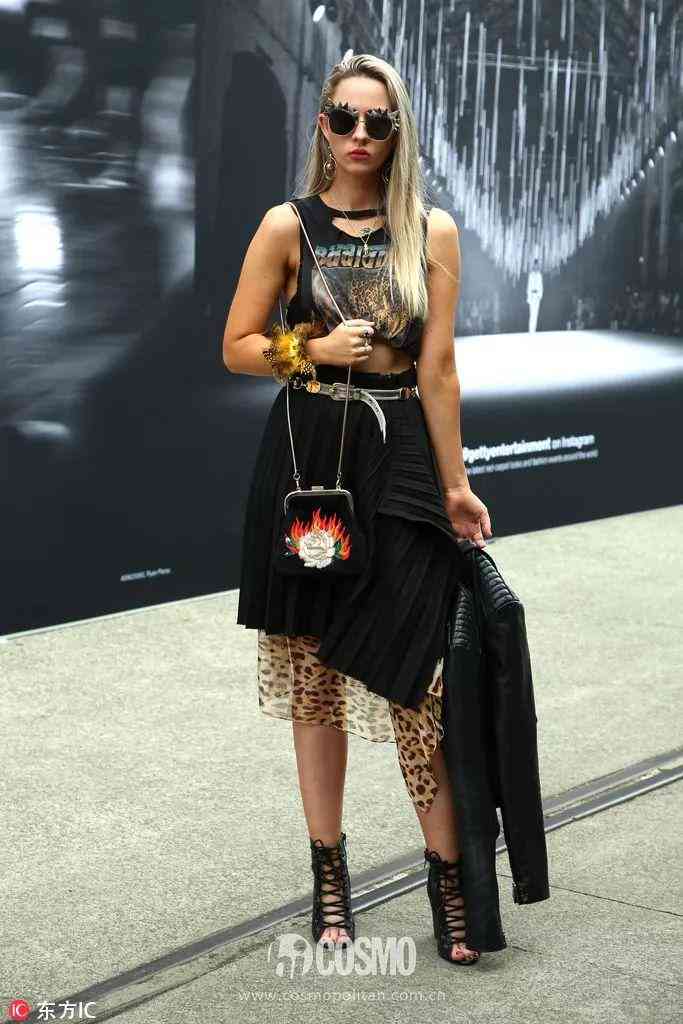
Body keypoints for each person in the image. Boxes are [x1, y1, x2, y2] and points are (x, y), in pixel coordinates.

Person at [223, 54, 492, 966]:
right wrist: (308, 349)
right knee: (313, 674)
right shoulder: (285, 225)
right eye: (345, 117)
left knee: (422, 676)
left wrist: (455, 484)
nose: (361, 136)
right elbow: (237, 346)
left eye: (379, 122)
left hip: (400, 457)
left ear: (398, 131)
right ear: (322, 125)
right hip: (308, 462)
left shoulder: (431, 230)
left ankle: (448, 878)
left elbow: (439, 369)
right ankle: (328, 874)